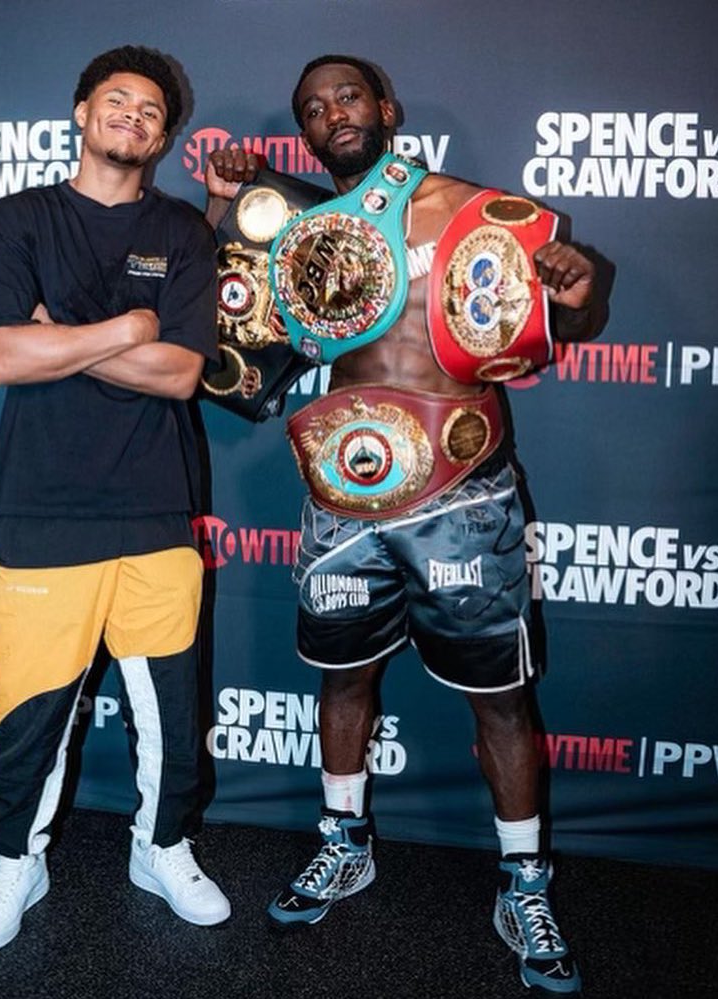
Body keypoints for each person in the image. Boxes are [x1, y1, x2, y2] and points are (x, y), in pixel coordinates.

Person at [205, 55, 606, 995]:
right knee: (341, 682)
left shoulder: (474, 213)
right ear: (302, 134)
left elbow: (558, 325)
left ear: (387, 109)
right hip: (340, 498)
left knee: (500, 700)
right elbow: (249, 319)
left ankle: (524, 881)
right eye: (312, 109)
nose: (330, 113)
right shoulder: (305, 229)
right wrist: (236, 201)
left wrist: (578, 291)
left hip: (463, 496)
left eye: (346, 96)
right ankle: (344, 844)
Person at [0, 45, 229, 953]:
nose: (133, 117)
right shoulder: (18, 220)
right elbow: (0, 356)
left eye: (151, 110)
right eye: (117, 101)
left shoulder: (185, 231)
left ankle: (164, 848)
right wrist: (125, 329)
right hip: (43, 508)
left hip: (155, 508)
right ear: (81, 112)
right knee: (28, 712)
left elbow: (182, 374)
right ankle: (13, 864)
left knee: (173, 714)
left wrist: (59, 335)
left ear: (164, 132)